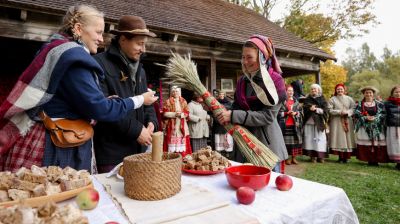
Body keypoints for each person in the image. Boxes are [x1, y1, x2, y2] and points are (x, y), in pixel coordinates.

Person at [0, 5, 157, 172]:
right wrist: (139, 100)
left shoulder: (58, 49)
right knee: (59, 195)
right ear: (78, 29)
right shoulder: (76, 60)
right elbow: (100, 109)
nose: (101, 39)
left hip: (56, 135)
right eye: (98, 32)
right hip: (57, 144)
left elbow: (81, 101)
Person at [92, 15, 159, 173]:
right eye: (139, 44)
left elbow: (147, 102)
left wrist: (151, 123)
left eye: (144, 44)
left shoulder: (140, 70)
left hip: (139, 152)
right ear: (123, 40)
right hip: (111, 154)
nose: (143, 49)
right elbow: (103, 108)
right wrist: (136, 130)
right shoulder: (98, 64)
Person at [215, 35, 287, 172]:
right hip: (244, 145)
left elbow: (267, 116)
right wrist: (219, 108)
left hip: (266, 145)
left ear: (262, 57)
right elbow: (236, 107)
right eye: (243, 57)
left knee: (267, 190)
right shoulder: (243, 81)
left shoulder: (275, 81)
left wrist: (233, 115)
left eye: (249, 57)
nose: (245, 62)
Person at [354, 86, 388, 166]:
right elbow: (357, 114)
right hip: (365, 127)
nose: (368, 94)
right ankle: (369, 160)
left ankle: (376, 160)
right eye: (366, 93)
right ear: (364, 94)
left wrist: (375, 118)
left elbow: (383, 113)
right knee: (367, 143)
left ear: (373, 94)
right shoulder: (360, 104)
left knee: (377, 143)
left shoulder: (379, 104)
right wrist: (365, 118)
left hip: (377, 126)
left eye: (370, 93)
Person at [328, 84, 356, 163]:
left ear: (344, 90)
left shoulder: (349, 99)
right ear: (336, 90)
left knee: (347, 138)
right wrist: (339, 112)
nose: (340, 91)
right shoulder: (332, 99)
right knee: (339, 138)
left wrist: (347, 112)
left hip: (347, 119)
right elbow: (329, 109)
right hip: (337, 121)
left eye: (341, 89)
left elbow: (353, 108)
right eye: (338, 89)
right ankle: (340, 157)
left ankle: (346, 157)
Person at [302, 84, 329, 163]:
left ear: (318, 90)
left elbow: (325, 110)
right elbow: (304, 108)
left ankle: (320, 156)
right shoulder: (307, 99)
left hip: (319, 123)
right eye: (312, 89)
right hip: (309, 122)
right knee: (310, 139)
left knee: (320, 140)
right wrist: (309, 108)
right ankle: (312, 156)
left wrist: (316, 109)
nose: (313, 90)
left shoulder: (322, 99)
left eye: (315, 89)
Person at [163, 86, 192, 156]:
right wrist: (175, 114)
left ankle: (183, 157)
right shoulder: (168, 102)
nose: (175, 93)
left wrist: (181, 115)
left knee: (182, 142)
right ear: (171, 92)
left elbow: (187, 113)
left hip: (182, 125)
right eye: (173, 91)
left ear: (179, 92)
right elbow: (165, 113)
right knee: (172, 143)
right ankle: (172, 158)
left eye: (177, 91)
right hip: (172, 126)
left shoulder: (184, 101)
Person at [278, 85, 303, 165]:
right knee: (286, 143)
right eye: (289, 90)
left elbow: (301, 113)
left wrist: (296, 113)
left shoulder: (297, 102)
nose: (290, 92)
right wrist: (286, 113)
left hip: (295, 125)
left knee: (295, 142)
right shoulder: (282, 102)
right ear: (285, 91)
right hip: (285, 125)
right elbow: (278, 113)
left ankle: (294, 158)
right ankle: (287, 158)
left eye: (292, 91)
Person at [213, 91, 234, 158]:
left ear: (224, 95)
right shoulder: (215, 102)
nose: (221, 95)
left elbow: (230, 112)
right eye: (220, 94)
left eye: (222, 94)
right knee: (219, 139)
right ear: (218, 95)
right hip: (218, 124)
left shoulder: (229, 103)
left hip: (226, 125)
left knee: (227, 137)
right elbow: (212, 112)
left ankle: (227, 154)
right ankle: (219, 154)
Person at [385, 85, 400, 170]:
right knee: (395, 145)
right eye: (396, 92)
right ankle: (398, 163)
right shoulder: (387, 103)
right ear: (392, 93)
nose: (398, 94)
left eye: (399, 92)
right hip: (392, 127)